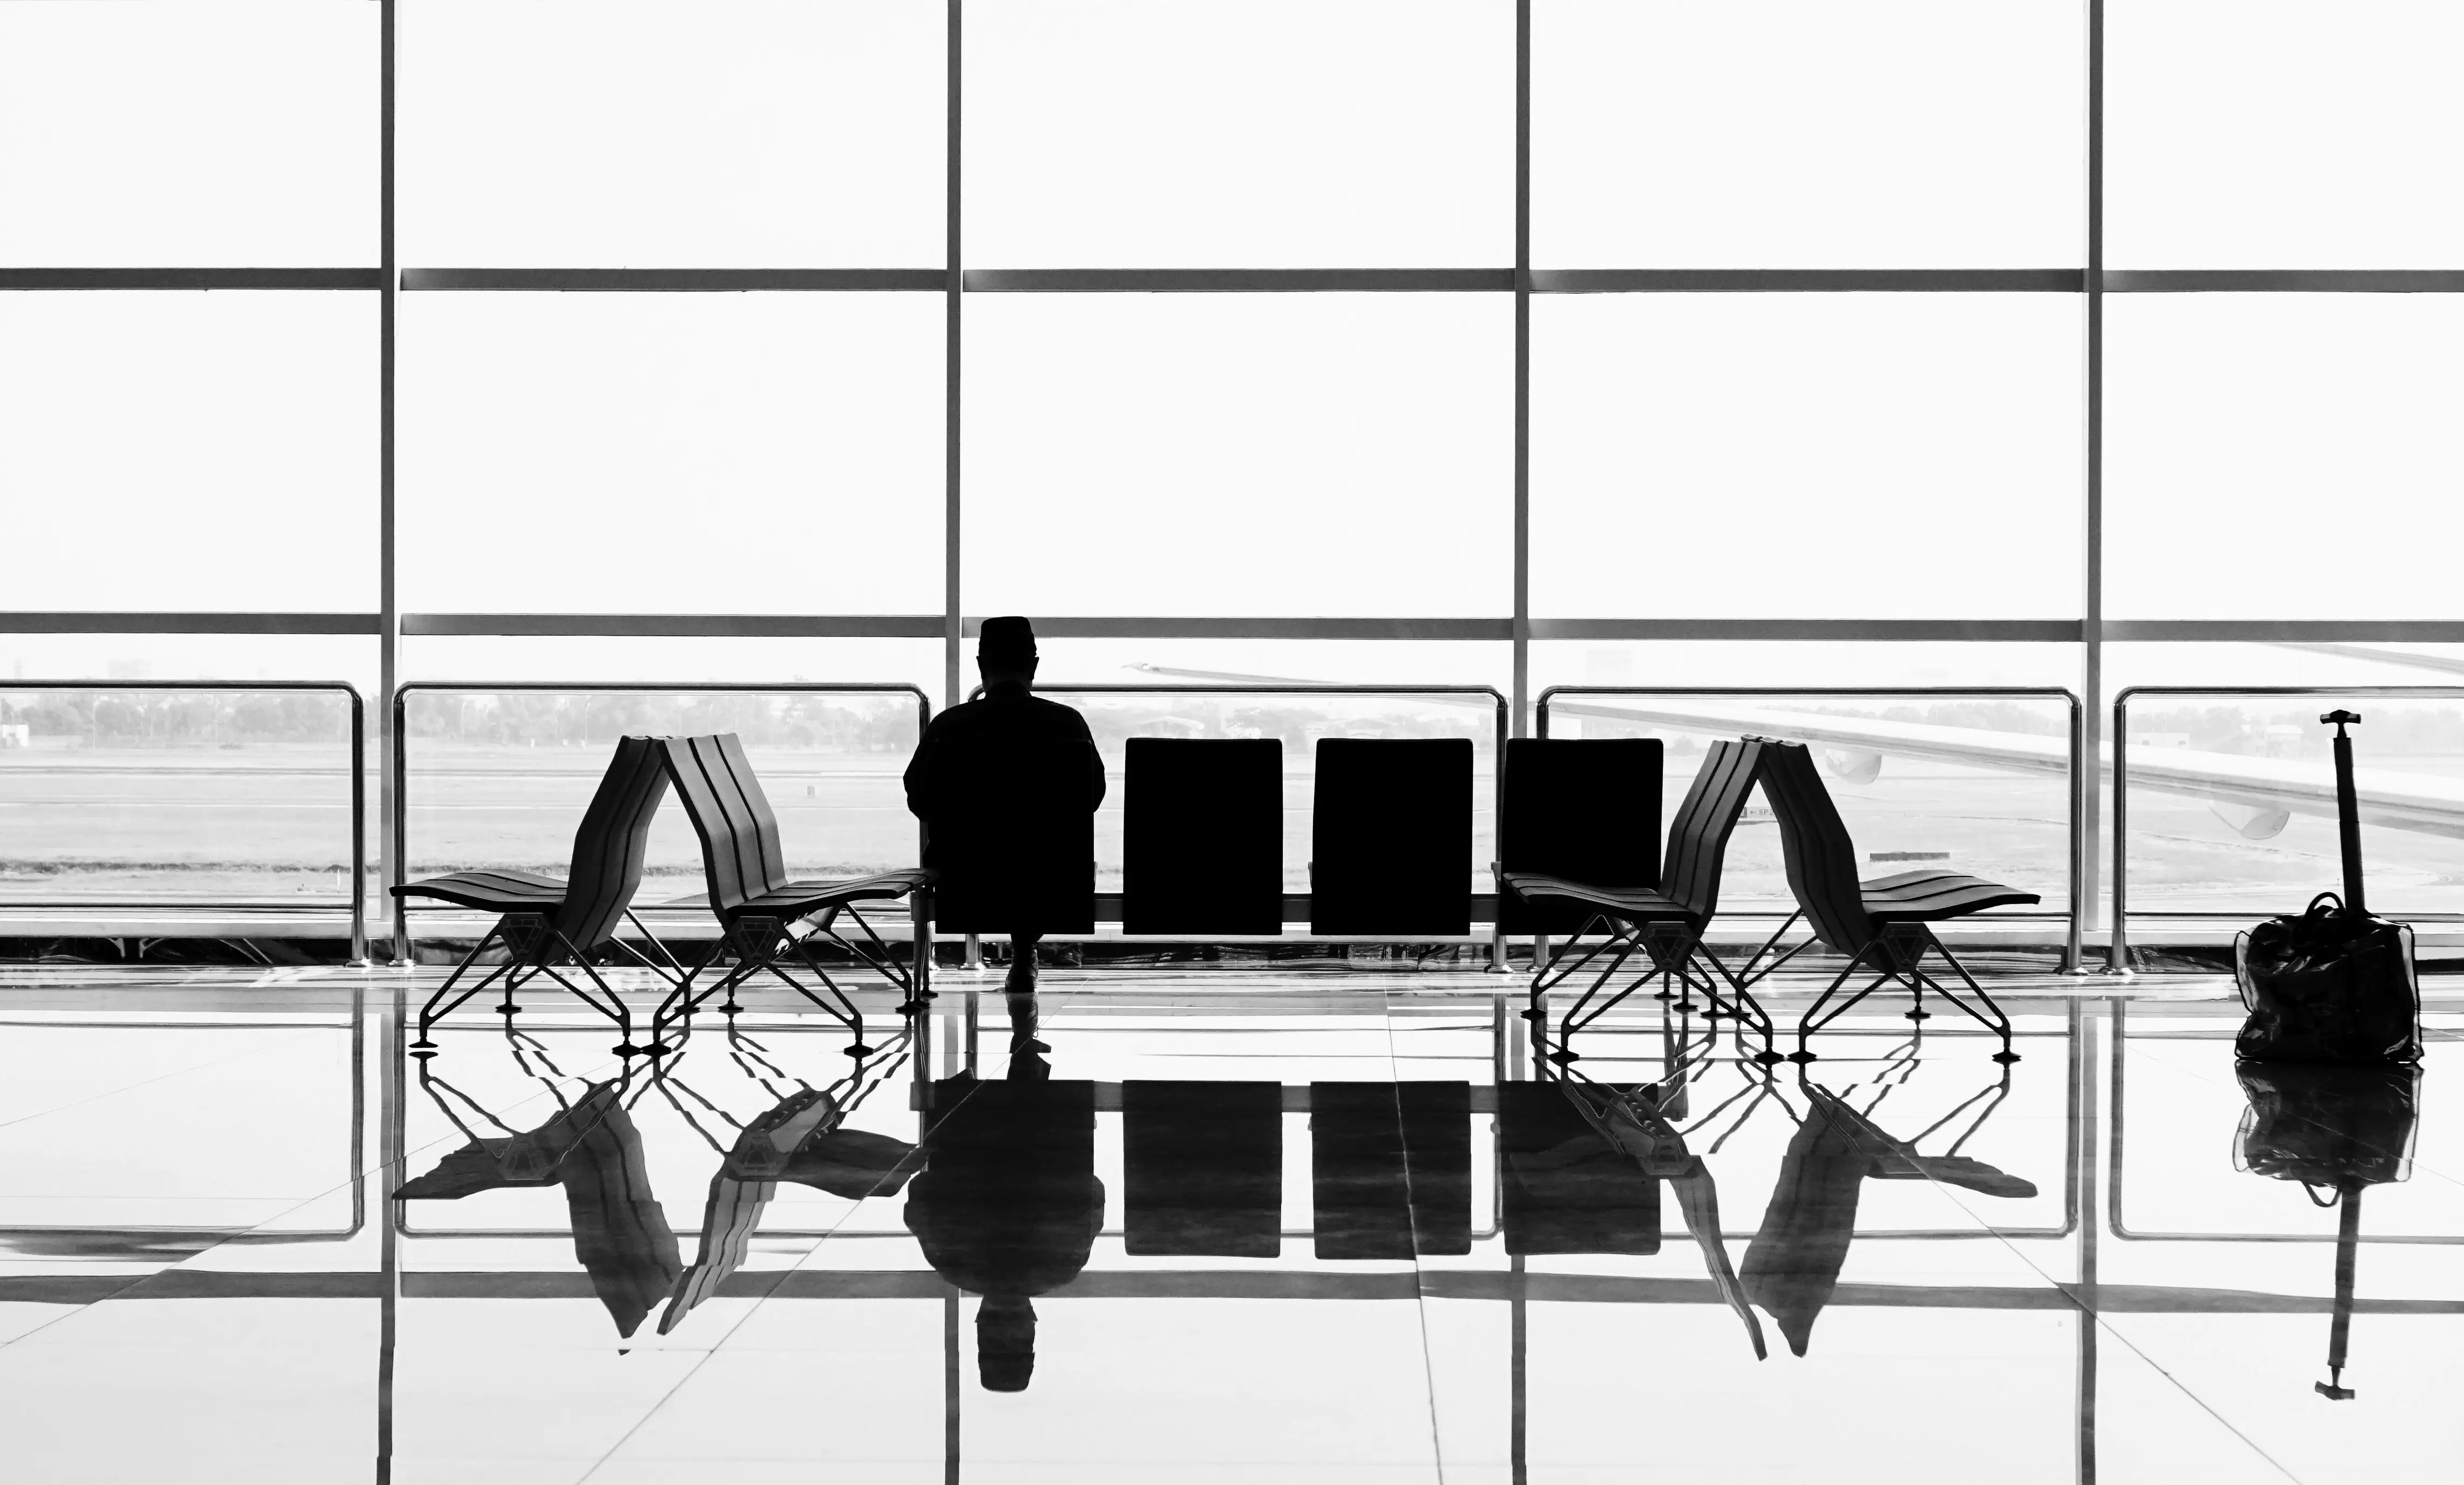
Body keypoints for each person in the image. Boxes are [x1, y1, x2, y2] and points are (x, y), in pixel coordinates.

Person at [903, 616, 1106, 1047]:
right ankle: (1025, 951)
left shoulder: (949, 727)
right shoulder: (1067, 724)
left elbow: (919, 798)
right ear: (1033, 666)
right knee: (1036, 857)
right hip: (1054, 882)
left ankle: (960, 970)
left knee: (984, 855)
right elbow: (1091, 797)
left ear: (982, 667)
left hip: (966, 881)